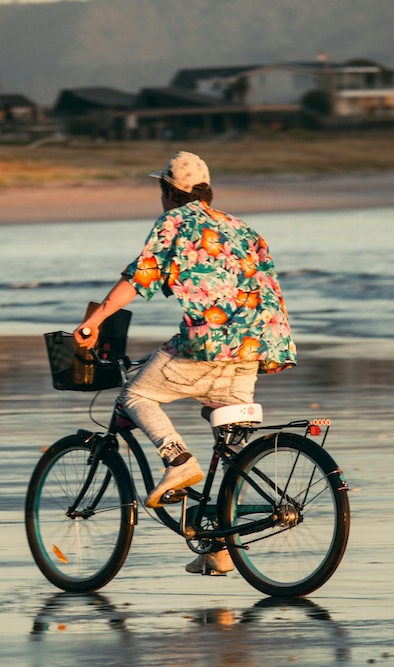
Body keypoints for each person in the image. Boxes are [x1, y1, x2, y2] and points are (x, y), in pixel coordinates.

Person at [74, 151, 297, 574]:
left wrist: (95, 320)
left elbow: (141, 275)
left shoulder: (174, 222)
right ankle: (220, 547)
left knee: (137, 393)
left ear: (168, 191)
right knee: (231, 449)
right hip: (256, 345)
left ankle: (178, 461)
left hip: (210, 343)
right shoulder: (243, 228)